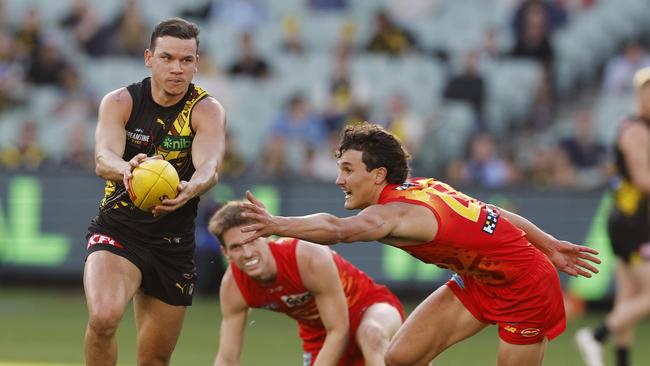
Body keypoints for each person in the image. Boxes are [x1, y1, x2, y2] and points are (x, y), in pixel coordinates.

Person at [238, 122, 601, 365]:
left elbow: (337, 230)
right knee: (399, 359)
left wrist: (276, 224)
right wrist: (549, 244)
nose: (339, 180)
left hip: (525, 286)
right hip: (478, 281)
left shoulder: (395, 214)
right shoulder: (420, 188)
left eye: (348, 170)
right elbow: (490, 212)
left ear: (379, 174)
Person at [84, 18, 226, 366]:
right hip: (119, 230)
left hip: (173, 244)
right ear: (149, 58)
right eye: (167, 58)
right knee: (103, 319)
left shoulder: (207, 110)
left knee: (154, 360)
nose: (177, 68)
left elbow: (210, 166)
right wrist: (127, 169)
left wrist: (192, 187)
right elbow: (103, 159)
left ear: (196, 62)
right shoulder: (120, 101)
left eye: (186, 60)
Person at [209, 201, 404, 366]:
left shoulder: (307, 256)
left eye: (251, 241)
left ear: (267, 237)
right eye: (236, 247)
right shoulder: (233, 286)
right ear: (225, 252)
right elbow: (227, 359)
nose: (248, 253)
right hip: (320, 336)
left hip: (370, 308)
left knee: (372, 334)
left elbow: (339, 329)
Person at [575, 67, 650, 366]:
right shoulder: (635, 130)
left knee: (628, 296)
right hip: (633, 224)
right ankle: (597, 335)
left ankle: (621, 360)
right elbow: (644, 180)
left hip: (632, 222)